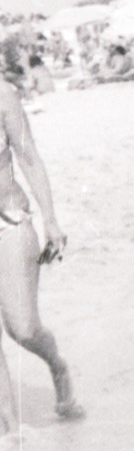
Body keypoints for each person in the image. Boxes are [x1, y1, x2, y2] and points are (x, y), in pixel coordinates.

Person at [0, 78, 83, 432]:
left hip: (7, 220)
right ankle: (9, 432)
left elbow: (28, 155)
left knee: (23, 328)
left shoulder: (2, 93)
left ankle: (58, 366)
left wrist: (50, 220)